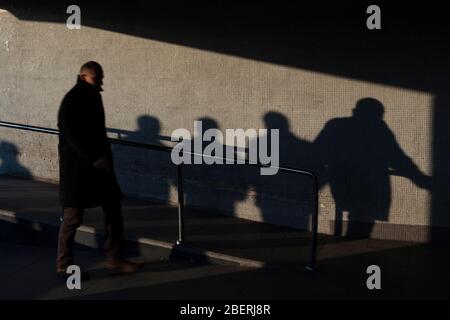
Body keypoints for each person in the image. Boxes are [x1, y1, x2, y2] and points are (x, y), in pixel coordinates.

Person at [56, 61, 142, 279]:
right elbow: (72, 134)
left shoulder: (87, 95)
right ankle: (65, 265)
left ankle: (114, 259)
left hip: (94, 168)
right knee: (73, 217)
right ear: (84, 76)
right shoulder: (75, 99)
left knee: (110, 211)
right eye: (97, 78)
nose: (101, 82)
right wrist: (95, 158)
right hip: (81, 169)